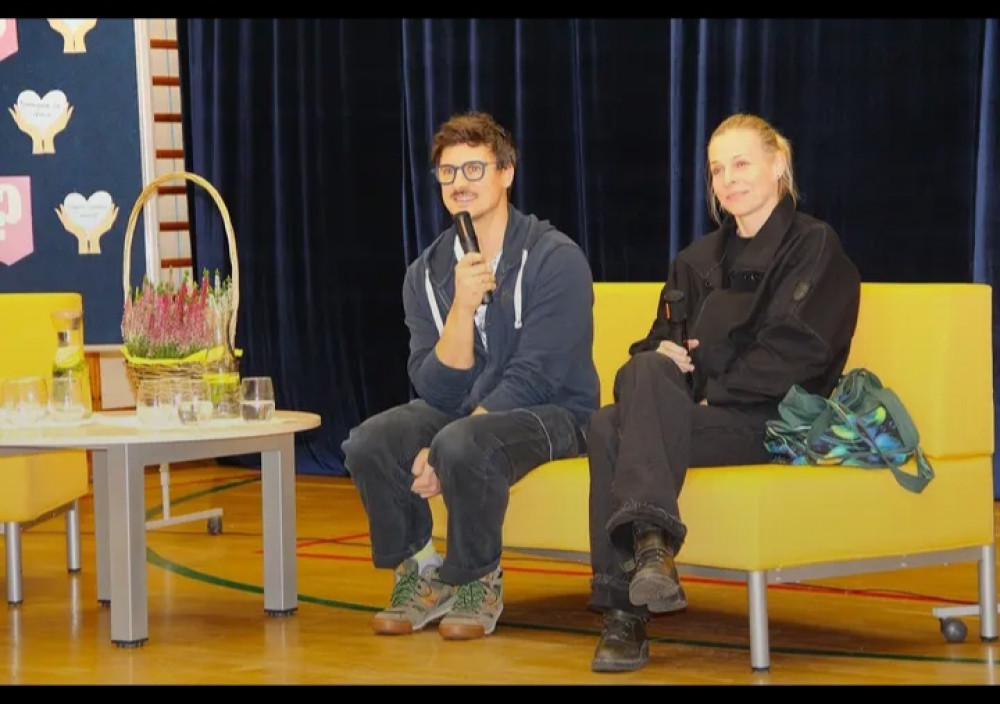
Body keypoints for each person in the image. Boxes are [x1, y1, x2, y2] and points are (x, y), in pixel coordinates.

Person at [586, 113, 861, 672]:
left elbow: (798, 353)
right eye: (717, 170)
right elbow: (654, 348)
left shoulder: (814, 246)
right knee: (638, 378)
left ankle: (624, 614)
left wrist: (711, 385)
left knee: (609, 426)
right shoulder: (695, 261)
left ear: (778, 166)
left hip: (768, 422)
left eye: (741, 164)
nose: (728, 179)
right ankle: (651, 553)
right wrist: (663, 356)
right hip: (697, 416)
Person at [342, 111, 599, 641]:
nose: (460, 182)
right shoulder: (426, 273)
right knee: (370, 442)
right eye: (448, 172)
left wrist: (449, 443)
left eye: (475, 169)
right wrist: (460, 308)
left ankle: (478, 579)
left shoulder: (556, 258)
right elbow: (435, 388)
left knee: (462, 441)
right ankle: (421, 573)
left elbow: (537, 376)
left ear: (506, 173)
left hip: (557, 414)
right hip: (467, 410)